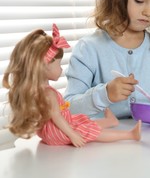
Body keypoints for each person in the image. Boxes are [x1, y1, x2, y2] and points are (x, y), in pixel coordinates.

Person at [3, 24, 142, 147]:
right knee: (88, 132)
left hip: (48, 131)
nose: (61, 69)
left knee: (81, 121)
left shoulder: (40, 90)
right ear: (44, 67)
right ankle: (129, 135)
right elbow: (57, 117)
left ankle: (109, 121)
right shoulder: (48, 93)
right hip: (55, 133)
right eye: (58, 65)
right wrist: (72, 135)